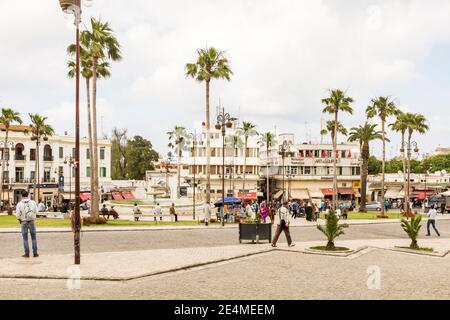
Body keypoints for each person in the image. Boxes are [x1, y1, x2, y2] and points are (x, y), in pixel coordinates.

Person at [16, 190, 39, 258]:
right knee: (34, 238)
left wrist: (20, 219)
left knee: (25, 238)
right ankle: (35, 253)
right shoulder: (33, 202)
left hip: (24, 221)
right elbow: (37, 212)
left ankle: (27, 253)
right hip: (32, 221)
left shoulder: (19, 204)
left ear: (22, 196)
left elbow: (17, 215)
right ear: (28, 195)